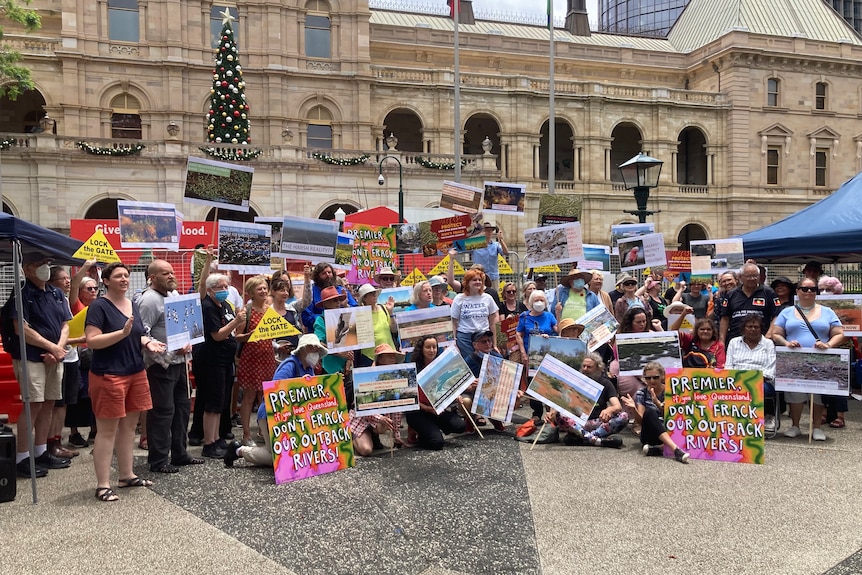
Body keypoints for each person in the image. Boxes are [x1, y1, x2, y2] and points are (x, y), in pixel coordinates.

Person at [85, 262, 166, 501]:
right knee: (107, 431)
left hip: (135, 371)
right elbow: (92, 341)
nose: (124, 279)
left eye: (126, 276)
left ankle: (127, 475)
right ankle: (102, 485)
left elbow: (137, 332)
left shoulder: (132, 304)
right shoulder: (99, 306)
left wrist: (147, 342)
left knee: (129, 428)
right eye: (118, 276)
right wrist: (121, 333)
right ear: (106, 281)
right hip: (109, 374)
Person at [8, 253, 73, 478]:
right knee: (33, 404)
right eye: (39, 264)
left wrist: (58, 348)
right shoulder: (21, 293)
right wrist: (52, 347)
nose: (45, 268)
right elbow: (21, 329)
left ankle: (41, 450)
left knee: (49, 403)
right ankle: (22, 457)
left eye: (47, 264)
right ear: (26, 269)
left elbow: (65, 324)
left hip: (54, 356)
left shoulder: (56, 293)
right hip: (31, 357)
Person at [137, 259, 202, 474]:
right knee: (163, 412)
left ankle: (180, 453)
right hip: (161, 365)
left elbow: (186, 324)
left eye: (172, 272)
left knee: (182, 410)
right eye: (165, 273)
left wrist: (189, 341)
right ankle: (158, 459)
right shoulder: (148, 300)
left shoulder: (174, 296)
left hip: (181, 363)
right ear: (152, 278)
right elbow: (141, 334)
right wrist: (168, 351)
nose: (171, 276)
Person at [224, 334, 327, 468]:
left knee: (298, 455)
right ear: (302, 349)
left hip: (291, 419)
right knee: (279, 458)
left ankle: (240, 450)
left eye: (317, 350)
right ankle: (240, 451)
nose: (315, 352)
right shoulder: (290, 365)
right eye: (312, 348)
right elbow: (274, 390)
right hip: (270, 415)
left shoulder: (309, 369)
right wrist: (299, 384)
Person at [770, 278, 845, 441]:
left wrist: (828, 344)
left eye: (813, 289)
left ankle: (816, 427)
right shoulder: (787, 312)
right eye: (805, 289)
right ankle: (795, 425)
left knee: (817, 394)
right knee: (794, 394)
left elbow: (839, 333)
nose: (809, 292)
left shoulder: (827, 311)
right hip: (793, 359)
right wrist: (786, 343)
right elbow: (776, 333)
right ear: (797, 291)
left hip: (819, 360)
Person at [196, 273, 247, 458]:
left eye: (226, 286)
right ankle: (209, 443)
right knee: (212, 403)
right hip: (212, 360)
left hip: (226, 359)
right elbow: (217, 334)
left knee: (221, 401)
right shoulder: (208, 307)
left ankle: (217, 438)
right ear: (210, 290)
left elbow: (230, 331)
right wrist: (236, 322)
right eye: (220, 287)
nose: (225, 290)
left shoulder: (226, 305)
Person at [545, 352, 628, 448]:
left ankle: (584, 438)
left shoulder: (606, 383)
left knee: (623, 416)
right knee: (560, 415)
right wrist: (552, 412)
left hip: (598, 422)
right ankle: (598, 441)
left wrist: (609, 410)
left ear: (598, 369)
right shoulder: (575, 381)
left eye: (589, 367)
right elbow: (559, 400)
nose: (585, 369)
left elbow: (617, 406)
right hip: (577, 423)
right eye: (583, 366)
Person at [234, 275, 279, 447]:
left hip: (267, 357)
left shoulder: (270, 310)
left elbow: (272, 335)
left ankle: (264, 429)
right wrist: (249, 336)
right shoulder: (247, 311)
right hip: (251, 359)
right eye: (259, 288)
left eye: (265, 288)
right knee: (249, 397)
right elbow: (237, 337)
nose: (263, 291)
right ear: (251, 292)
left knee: (266, 396)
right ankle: (246, 434)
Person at [620, 362, 690, 463]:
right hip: (650, 435)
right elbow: (641, 422)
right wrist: (633, 409)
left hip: (669, 430)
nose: (652, 381)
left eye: (655, 377)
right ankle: (675, 450)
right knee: (649, 412)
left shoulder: (670, 390)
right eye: (648, 378)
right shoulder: (642, 393)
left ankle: (659, 449)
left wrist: (658, 403)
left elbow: (674, 416)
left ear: (662, 377)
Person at [405, 335, 466, 449]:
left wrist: (456, 395)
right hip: (418, 412)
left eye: (434, 347)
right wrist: (428, 409)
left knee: (460, 426)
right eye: (428, 347)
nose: (432, 350)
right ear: (421, 349)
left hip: (436, 409)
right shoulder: (412, 369)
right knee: (436, 444)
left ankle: (431, 428)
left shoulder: (441, 366)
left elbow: (447, 386)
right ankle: (419, 431)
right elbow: (410, 400)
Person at [46, 266, 81, 459]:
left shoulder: (64, 300)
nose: (68, 282)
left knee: (64, 403)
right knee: (54, 403)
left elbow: (66, 327)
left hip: (71, 358)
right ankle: (49, 442)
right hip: (57, 357)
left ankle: (57, 440)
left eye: (69, 278)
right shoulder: (51, 300)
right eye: (63, 279)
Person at [725, 313, 777, 433]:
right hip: (736, 380)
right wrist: (737, 379)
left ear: (761, 329)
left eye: (756, 327)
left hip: (761, 381)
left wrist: (755, 379)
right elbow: (728, 365)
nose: (753, 329)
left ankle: (765, 417)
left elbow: (771, 367)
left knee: (758, 388)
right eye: (749, 326)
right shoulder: (734, 342)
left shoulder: (768, 343)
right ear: (744, 328)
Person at [349, 344, 403, 455]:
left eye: (393, 355)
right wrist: (380, 418)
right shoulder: (367, 376)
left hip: (378, 421)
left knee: (385, 423)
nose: (393, 358)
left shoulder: (395, 377)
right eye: (389, 355)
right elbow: (362, 408)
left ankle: (373, 436)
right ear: (380, 359)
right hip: (361, 418)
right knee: (366, 450)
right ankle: (351, 435)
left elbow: (397, 408)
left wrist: (397, 436)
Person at [719, 262, 780, 345]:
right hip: (735, 341)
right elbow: (725, 318)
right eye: (748, 276)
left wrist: (768, 336)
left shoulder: (769, 292)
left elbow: (776, 315)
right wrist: (721, 340)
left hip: (761, 341)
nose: (752, 278)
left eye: (755, 276)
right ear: (740, 277)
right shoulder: (731, 294)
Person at [463, 330, 505, 432]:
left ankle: (495, 418)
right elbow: (461, 384)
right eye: (483, 342)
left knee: (514, 398)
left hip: (492, 393)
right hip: (473, 393)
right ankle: (469, 419)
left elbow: (505, 377)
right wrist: (471, 384)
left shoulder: (498, 357)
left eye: (489, 341)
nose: (487, 344)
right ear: (475, 345)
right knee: (465, 401)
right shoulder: (468, 361)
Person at [450, 269, 499, 357]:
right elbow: (453, 322)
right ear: (467, 282)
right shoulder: (459, 298)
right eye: (474, 280)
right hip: (465, 338)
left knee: (484, 363)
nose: (478, 282)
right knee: (471, 363)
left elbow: (492, 323)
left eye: (480, 280)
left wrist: (494, 344)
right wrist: (453, 341)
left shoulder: (488, 298)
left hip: (483, 336)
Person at [299, 262, 358, 332]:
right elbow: (306, 317)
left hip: (345, 332)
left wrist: (346, 306)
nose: (327, 275)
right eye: (324, 273)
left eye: (329, 272)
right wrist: (325, 318)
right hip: (321, 334)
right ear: (318, 277)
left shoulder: (342, 290)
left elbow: (357, 310)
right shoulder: (312, 291)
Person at [356, 283, 397, 363]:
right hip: (369, 356)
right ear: (365, 298)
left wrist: (391, 312)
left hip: (389, 353)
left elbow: (394, 330)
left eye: (374, 293)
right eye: (371, 294)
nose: (374, 295)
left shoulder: (384, 308)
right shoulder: (360, 314)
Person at [269, 277, 303, 359]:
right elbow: (265, 337)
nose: (285, 293)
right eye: (281, 290)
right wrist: (277, 347)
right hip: (277, 357)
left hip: (295, 354)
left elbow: (299, 331)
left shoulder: (292, 310)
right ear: (273, 292)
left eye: (287, 290)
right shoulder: (268, 312)